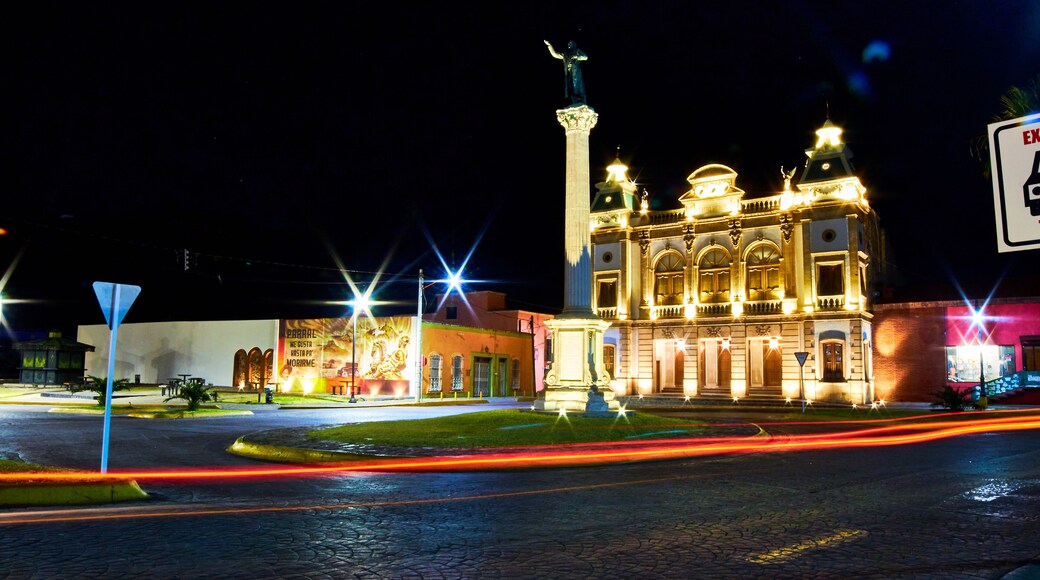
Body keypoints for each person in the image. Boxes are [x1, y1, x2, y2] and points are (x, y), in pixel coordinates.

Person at [545, 40, 588, 104]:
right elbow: (555, 54)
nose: (569, 44)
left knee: (579, 87)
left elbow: (585, 57)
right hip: (568, 73)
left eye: (570, 43)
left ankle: (584, 102)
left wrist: (577, 56)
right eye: (568, 43)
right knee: (571, 88)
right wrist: (549, 45)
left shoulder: (577, 51)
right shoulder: (565, 54)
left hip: (576, 72)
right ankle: (574, 103)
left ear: (574, 44)